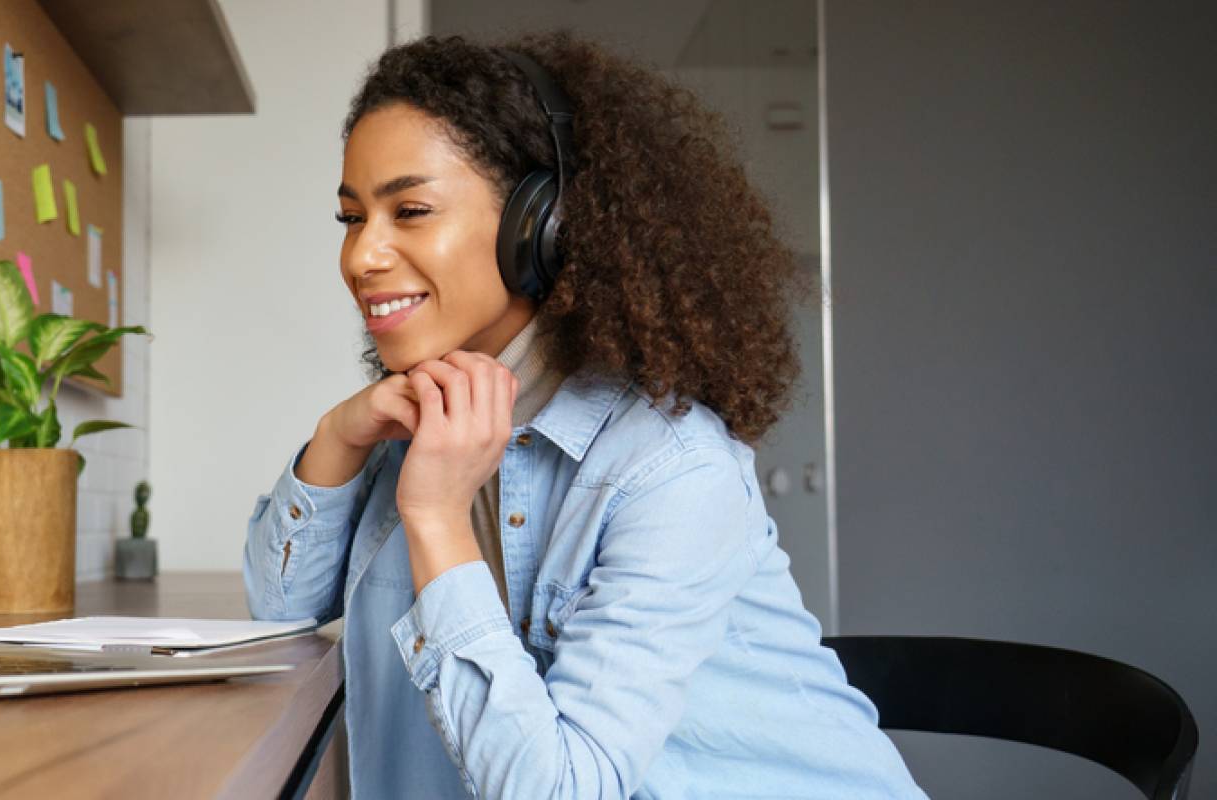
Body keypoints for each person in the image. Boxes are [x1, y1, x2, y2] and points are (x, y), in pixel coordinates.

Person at [242, 31, 925, 798]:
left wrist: (435, 518)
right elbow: (281, 609)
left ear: (539, 223)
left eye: (411, 209)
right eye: (351, 218)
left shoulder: (671, 469)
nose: (362, 256)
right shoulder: (424, 421)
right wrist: (338, 436)